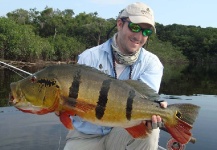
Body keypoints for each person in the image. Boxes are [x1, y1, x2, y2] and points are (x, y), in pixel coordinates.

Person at [64, 2, 167, 150]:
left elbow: (147, 100)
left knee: (152, 131)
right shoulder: (89, 57)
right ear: (120, 24)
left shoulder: (152, 64)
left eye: (146, 32)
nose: (139, 36)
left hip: (123, 132)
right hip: (85, 135)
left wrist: (155, 111)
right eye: (135, 27)